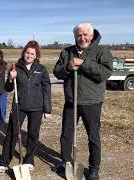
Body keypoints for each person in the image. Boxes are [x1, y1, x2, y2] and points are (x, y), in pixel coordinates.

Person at [53, 22, 113, 180]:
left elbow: (104, 73)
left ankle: (94, 168)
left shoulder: (102, 51)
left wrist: (84, 64)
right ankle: (66, 163)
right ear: (75, 36)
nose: (82, 37)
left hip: (92, 102)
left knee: (93, 136)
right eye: (79, 35)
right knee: (66, 134)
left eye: (85, 34)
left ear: (91, 36)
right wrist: (68, 66)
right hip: (71, 101)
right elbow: (57, 72)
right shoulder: (67, 52)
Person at [0, 40, 51, 173]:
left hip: (36, 107)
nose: (29, 56)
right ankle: (4, 161)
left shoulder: (41, 69)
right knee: (12, 133)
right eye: (27, 52)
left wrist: (47, 109)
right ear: (24, 53)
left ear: (36, 56)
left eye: (33, 54)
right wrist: (10, 78)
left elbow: (46, 90)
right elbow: (8, 88)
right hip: (18, 106)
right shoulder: (15, 67)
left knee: (33, 134)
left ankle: (29, 160)